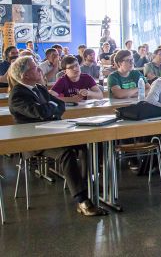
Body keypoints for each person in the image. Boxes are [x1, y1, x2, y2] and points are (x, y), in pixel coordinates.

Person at [8, 56, 106, 216]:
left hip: (54, 133)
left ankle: (85, 184)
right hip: (34, 141)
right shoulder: (18, 94)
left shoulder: (38, 88)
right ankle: (82, 200)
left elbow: (60, 105)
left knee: (88, 143)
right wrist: (50, 107)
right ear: (25, 75)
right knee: (66, 153)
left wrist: (50, 106)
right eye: (35, 68)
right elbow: (40, 112)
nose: (40, 69)